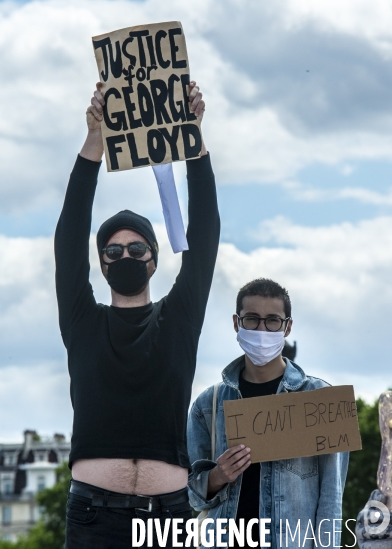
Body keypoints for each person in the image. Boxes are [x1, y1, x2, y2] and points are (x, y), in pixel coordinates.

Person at [54, 80, 220, 548]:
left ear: (154, 256)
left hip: (168, 520)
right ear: (101, 262)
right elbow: (68, 242)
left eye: (136, 247)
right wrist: (93, 145)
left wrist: (194, 143)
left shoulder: (179, 318)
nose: (124, 255)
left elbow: (204, 236)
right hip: (92, 517)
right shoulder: (83, 323)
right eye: (112, 249)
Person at [187, 278, 349, 549]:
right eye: (252, 319)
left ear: (287, 327)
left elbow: (331, 500)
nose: (262, 329)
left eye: (272, 320)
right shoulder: (208, 404)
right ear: (236, 323)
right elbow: (193, 496)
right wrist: (217, 476)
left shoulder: (320, 400)